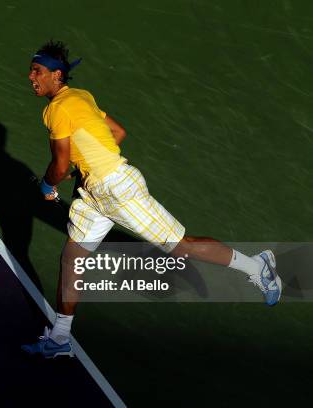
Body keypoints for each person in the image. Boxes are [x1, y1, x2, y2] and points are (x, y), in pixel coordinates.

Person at [21, 40, 282, 359]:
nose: (31, 76)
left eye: (37, 71)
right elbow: (117, 133)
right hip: (93, 191)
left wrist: (48, 185)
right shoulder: (81, 96)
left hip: (116, 188)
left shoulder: (56, 109)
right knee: (73, 258)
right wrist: (87, 168)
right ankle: (60, 337)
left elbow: (60, 165)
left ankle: (257, 266)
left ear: (56, 74)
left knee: (181, 247)